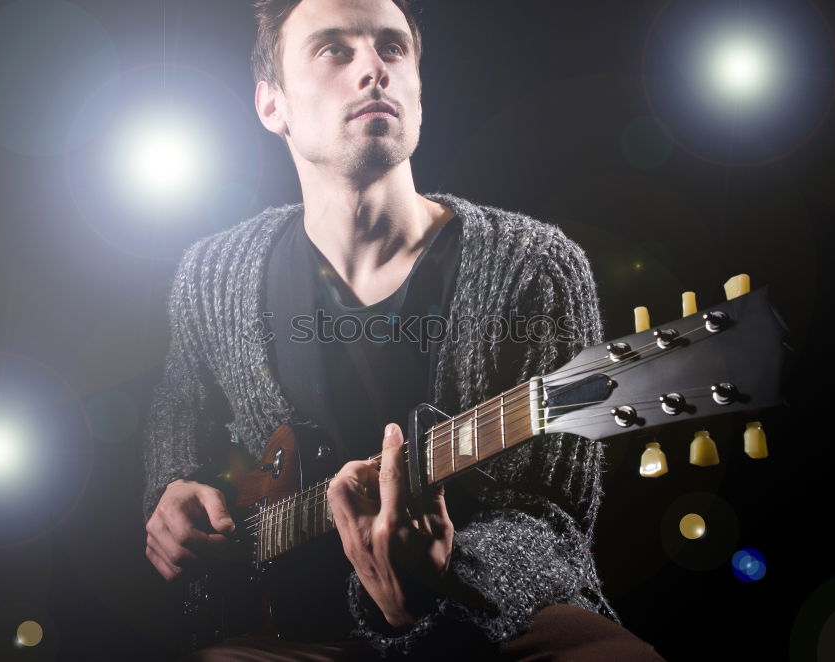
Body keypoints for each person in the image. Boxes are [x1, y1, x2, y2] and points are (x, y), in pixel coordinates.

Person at [143, 0, 665, 659]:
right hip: (289, 631)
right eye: (335, 50)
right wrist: (172, 490)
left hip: (489, 616)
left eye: (392, 49)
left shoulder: (536, 265)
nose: (374, 70)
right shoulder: (213, 272)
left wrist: (444, 572)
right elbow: (179, 408)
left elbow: (552, 517)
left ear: (418, 87)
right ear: (272, 103)